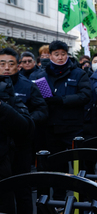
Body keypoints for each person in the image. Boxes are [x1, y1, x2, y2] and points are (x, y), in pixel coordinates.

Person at [30, 40, 91, 200]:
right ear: (50, 55)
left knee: (78, 164)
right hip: (50, 128)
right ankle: (58, 200)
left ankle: (82, 199)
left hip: (72, 127)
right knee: (56, 166)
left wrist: (62, 100)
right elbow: (36, 99)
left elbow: (85, 95)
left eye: (63, 54)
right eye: (56, 54)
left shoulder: (78, 73)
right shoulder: (41, 75)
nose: (60, 57)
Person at [0, 48, 47, 214]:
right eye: (2, 63)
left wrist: (25, 121)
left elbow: (44, 108)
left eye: (11, 63)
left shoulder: (36, 81)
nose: (6, 67)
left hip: (23, 143)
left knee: (23, 189)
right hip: (4, 148)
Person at [0, 75, 34, 214]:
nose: (6, 66)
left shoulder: (7, 92)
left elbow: (25, 126)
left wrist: (1, 107)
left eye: (10, 63)